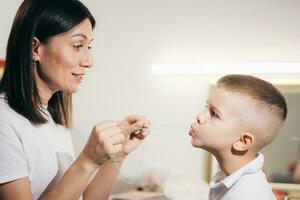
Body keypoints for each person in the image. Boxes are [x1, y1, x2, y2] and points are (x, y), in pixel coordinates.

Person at [0, 0, 150, 199]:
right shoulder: (4, 120)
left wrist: (117, 156)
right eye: (78, 46)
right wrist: (87, 160)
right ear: (35, 48)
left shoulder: (52, 119)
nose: (89, 61)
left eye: (88, 47)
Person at [189, 74, 287, 200]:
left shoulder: (248, 195)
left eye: (214, 114)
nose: (199, 116)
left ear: (242, 141)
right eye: (206, 108)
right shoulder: (226, 177)